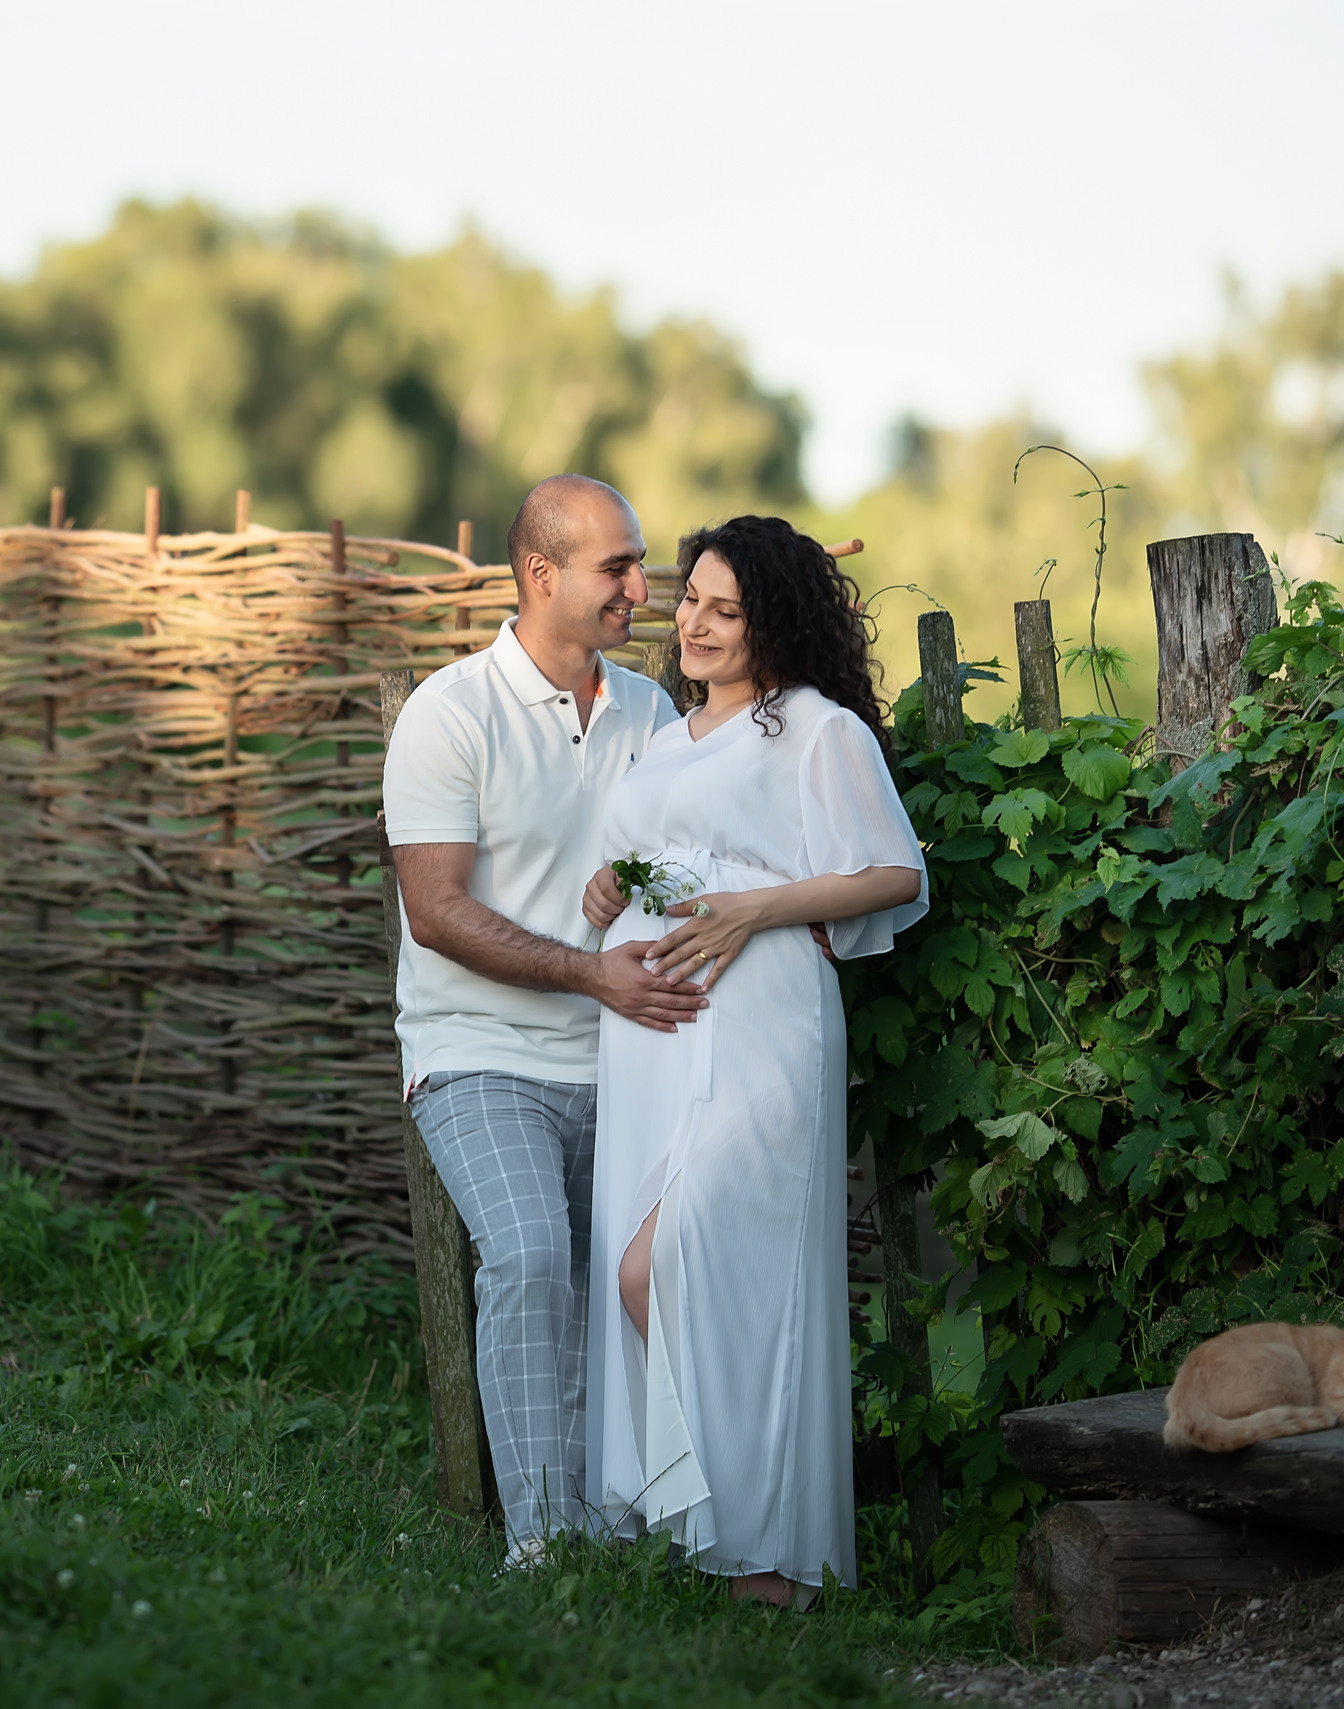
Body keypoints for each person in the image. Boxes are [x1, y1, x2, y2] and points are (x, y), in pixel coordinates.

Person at [580, 515, 928, 1607]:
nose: (692, 623)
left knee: (692, 1268)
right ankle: (727, 1545)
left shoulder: (817, 730)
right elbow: (644, 854)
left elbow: (894, 873)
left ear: (771, 621)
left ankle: (771, 1555)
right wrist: (606, 891)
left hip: (766, 1025)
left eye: (723, 610)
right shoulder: (670, 736)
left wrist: (753, 910)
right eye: (689, 599)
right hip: (656, 1039)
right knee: (661, 1273)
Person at [382, 473, 703, 1566]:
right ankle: (549, 1545)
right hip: (479, 1053)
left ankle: (653, 1519)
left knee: (659, 1265)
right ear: (539, 574)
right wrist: (588, 973)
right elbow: (433, 911)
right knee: (527, 1251)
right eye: (617, 565)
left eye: (639, 560)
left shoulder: (653, 713)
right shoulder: (450, 711)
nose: (639, 584)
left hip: (629, 1056)